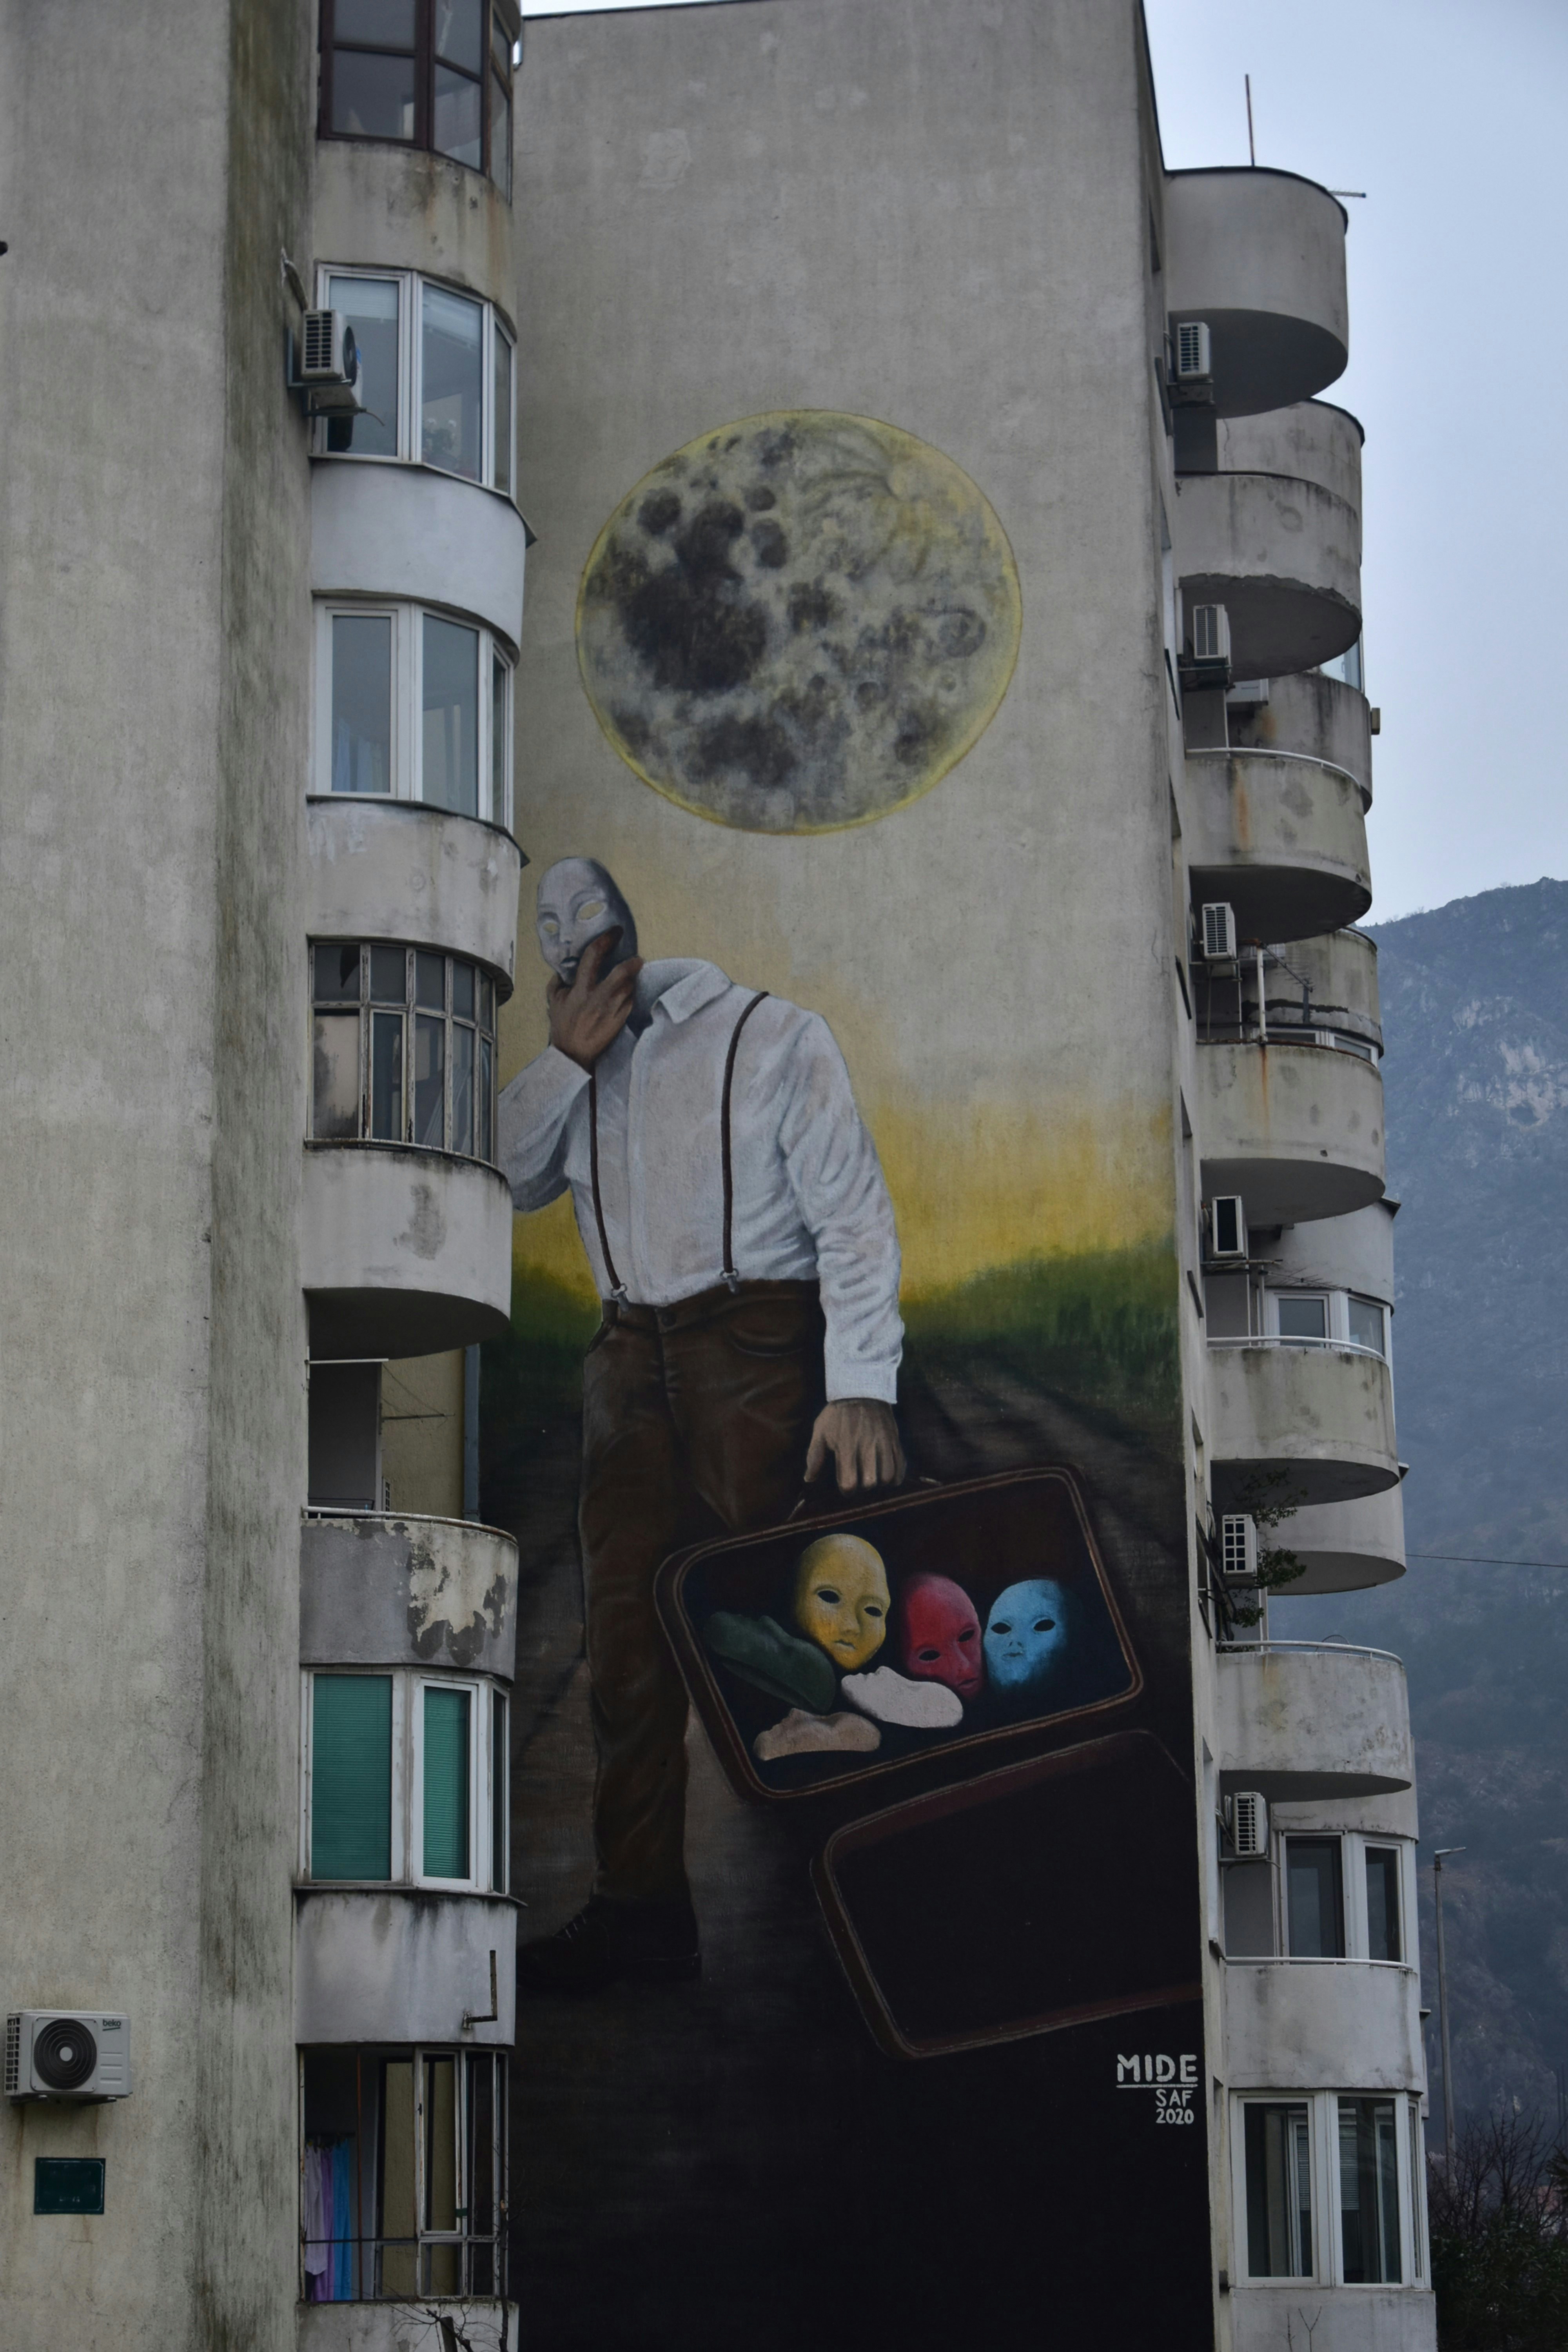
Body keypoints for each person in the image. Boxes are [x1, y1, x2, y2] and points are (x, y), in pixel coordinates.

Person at [499, 857, 904, 1991]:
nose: (563, 939)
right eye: (546, 929)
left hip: (756, 1343)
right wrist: (564, 1060)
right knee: (626, 1646)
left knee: (793, 1621)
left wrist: (859, 1380)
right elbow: (498, 1174)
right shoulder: (571, 1078)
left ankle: (857, 1907)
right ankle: (639, 1914)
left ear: (627, 926)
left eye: (581, 919)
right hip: (626, 1355)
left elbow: (854, 1215)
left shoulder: (771, 1034)